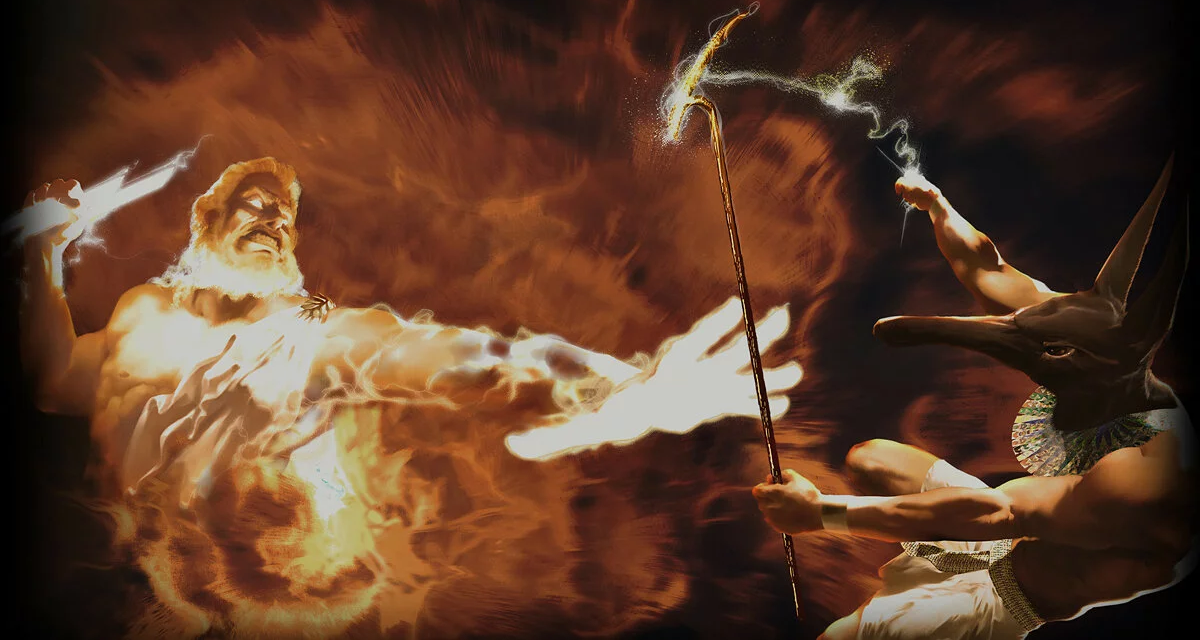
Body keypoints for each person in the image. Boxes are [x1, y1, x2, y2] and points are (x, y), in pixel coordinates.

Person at [20, 157, 800, 507]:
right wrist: (42, 252)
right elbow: (54, 382)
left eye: (284, 217)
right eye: (255, 205)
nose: (273, 221)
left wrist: (624, 388)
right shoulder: (143, 313)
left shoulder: (315, 331)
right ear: (206, 221)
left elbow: (480, 359)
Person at [754, 165, 1197, 639]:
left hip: (993, 601)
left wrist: (821, 514)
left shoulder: (1146, 479)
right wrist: (937, 206)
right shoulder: (1107, 356)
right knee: (871, 460)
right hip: (1000, 539)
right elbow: (989, 271)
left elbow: (999, 513)